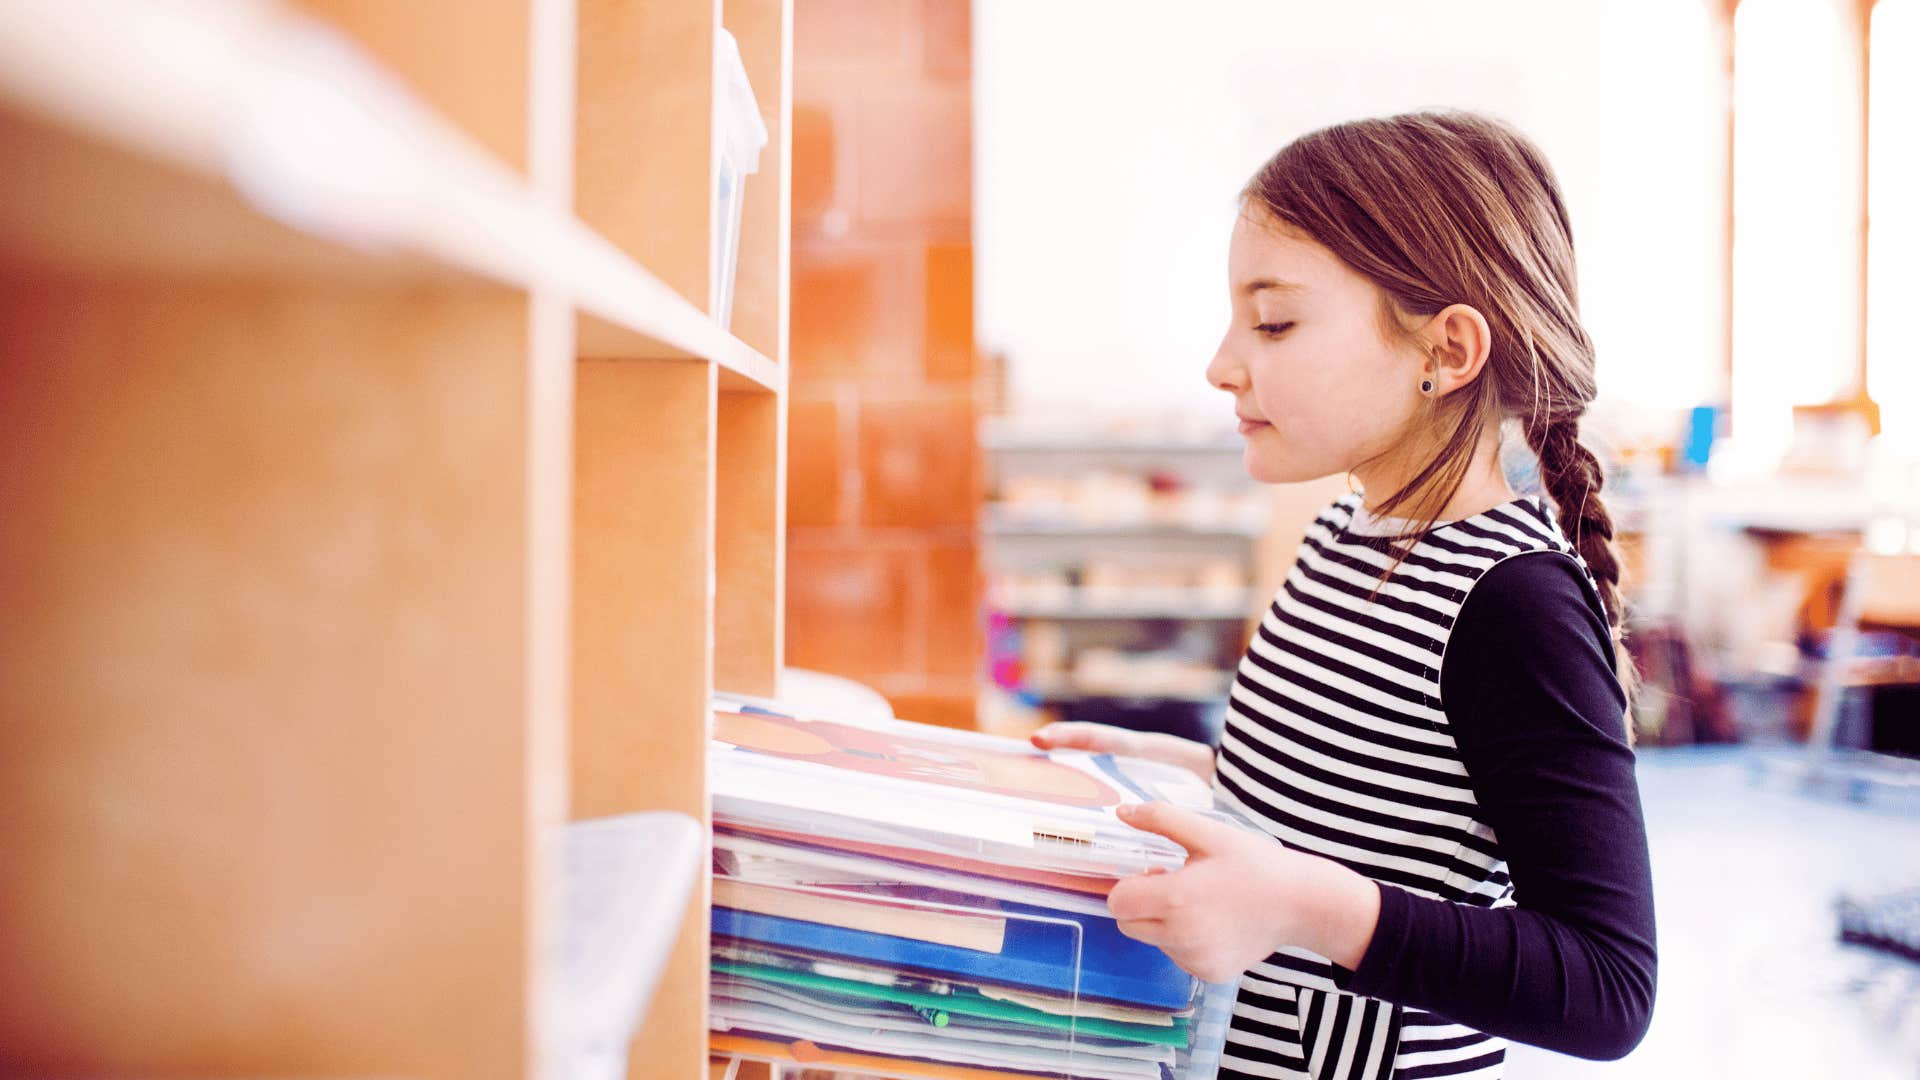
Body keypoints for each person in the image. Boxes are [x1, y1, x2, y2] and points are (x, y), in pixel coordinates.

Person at [1031, 109, 1657, 1079]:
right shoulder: (1347, 529)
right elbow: (1375, 811)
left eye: (1274, 321)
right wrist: (1196, 780)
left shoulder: (1514, 604)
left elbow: (1609, 987)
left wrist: (1299, 904)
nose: (1221, 362)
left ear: (1445, 353)